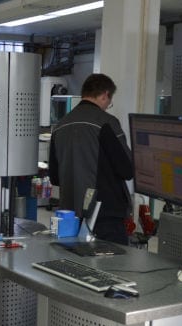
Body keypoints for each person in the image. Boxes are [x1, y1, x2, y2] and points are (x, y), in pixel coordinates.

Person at [49, 73, 133, 245]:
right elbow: (127, 169)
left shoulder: (61, 125)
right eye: (109, 101)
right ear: (104, 95)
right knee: (114, 267)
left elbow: (55, 177)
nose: (108, 105)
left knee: (77, 265)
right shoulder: (106, 122)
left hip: (70, 215)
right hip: (105, 215)